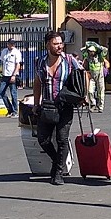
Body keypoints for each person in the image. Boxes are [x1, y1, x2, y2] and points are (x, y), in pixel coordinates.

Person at [32, 31, 84, 185]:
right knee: (43, 140)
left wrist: (82, 95)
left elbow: (83, 75)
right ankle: (57, 162)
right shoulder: (40, 62)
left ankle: (59, 173)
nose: (59, 46)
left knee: (62, 140)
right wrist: (36, 104)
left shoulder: (69, 60)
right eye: (56, 43)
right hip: (47, 106)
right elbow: (37, 83)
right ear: (48, 45)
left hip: (65, 106)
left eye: (61, 43)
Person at [0, 38, 22, 117]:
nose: (12, 45)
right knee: (1, 92)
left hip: (12, 76)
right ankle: (10, 109)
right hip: (5, 75)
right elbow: (2, 62)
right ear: (7, 44)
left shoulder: (16, 52)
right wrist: (0, 71)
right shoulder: (4, 51)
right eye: (11, 43)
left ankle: (15, 111)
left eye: (13, 44)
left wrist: (14, 75)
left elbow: (18, 65)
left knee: (13, 94)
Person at [84, 44, 110, 113]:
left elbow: (105, 50)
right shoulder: (88, 58)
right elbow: (82, 50)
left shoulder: (100, 57)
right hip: (92, 76)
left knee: (100, 91)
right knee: (90, 91)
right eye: (89, 51)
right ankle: (93, 104)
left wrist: (99, 47)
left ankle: (100, 106)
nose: (90, 52)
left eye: (92, 51)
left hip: (100, 76)